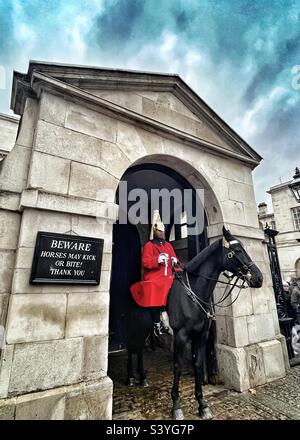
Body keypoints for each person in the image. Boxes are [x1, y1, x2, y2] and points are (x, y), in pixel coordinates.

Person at [130, 210, 181, 336]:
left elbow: (175, 259)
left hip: (168, 276)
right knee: (154, 288)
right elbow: (146, 262)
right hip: (155, 277)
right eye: (159, 230)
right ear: (154, 231)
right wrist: (157, 260)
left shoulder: (168, 245)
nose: (162, 232)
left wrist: (175, 261)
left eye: (163, 230)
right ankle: (156, 324)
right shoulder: (149, 245)